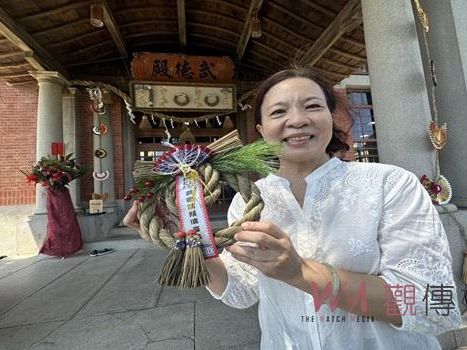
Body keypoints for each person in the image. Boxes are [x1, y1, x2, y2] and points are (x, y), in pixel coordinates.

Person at [124, 67, 461, 349]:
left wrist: (300, 274)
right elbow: (241, 291)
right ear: (260, 131)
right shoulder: (249, 200)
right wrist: (189, 241)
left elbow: (429, 302)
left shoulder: (389, 185)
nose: (297, 120)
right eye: (279, 112)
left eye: (312, 106)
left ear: (332, 116)